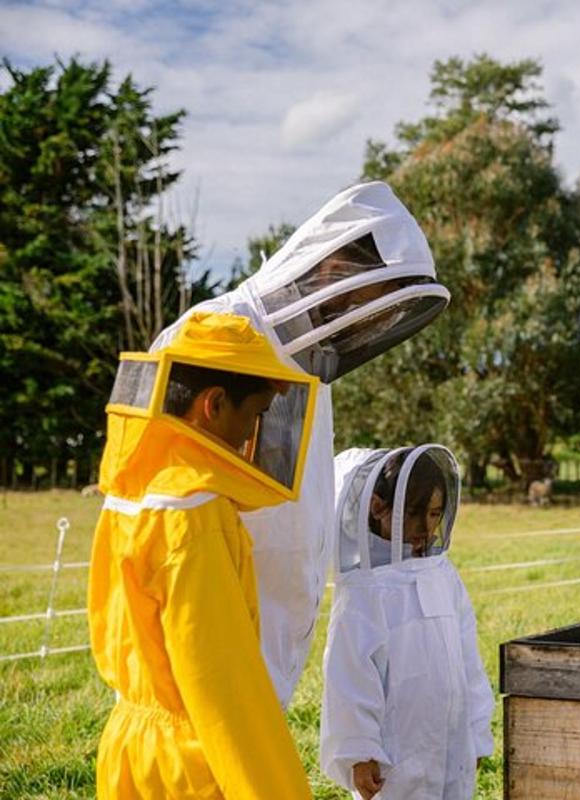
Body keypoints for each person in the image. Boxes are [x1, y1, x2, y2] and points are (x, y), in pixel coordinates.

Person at [151, 181, 450, 706]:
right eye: (373, 303)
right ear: (336, 273)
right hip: (210, 627)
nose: (375, 322)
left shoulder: (308, 355)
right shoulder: (214, 337)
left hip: (269, 634)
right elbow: (167, 499)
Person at [88, 311, 319, 798]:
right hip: (192, 765)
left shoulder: (136, 489)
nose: (254, 436)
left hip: (130, 748)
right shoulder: (193, 512)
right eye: (254, 415)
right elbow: (223, 688)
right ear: (213, 405)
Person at [321, 445, 494, 800]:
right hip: (394, 756)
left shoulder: (442, 575)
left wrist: (476, 733)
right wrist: (359, 752)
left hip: (450, 742)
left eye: (434, 514)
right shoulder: (364, 591)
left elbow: (468, 660)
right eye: (415, 513)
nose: (426, 528)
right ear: (378, 507)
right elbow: (349, 677)